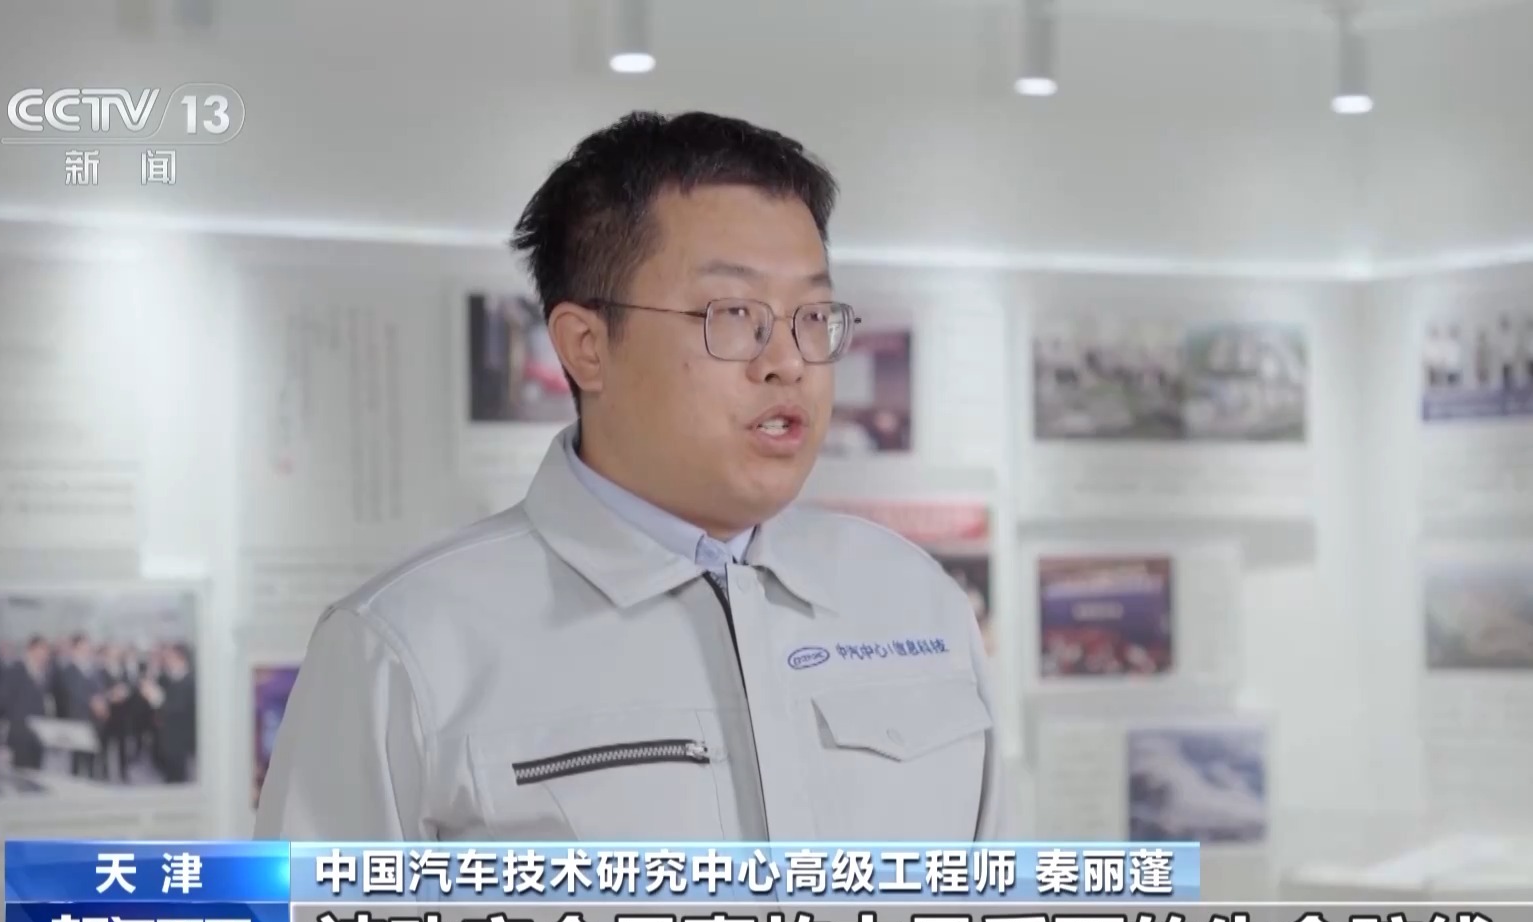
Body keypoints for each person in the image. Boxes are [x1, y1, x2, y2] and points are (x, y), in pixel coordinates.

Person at [255, 110, 1006, 843]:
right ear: (586, 346)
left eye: (811, 315)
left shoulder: (915, 602)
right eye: (733, 314)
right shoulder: (406, 646)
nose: (787, 361)